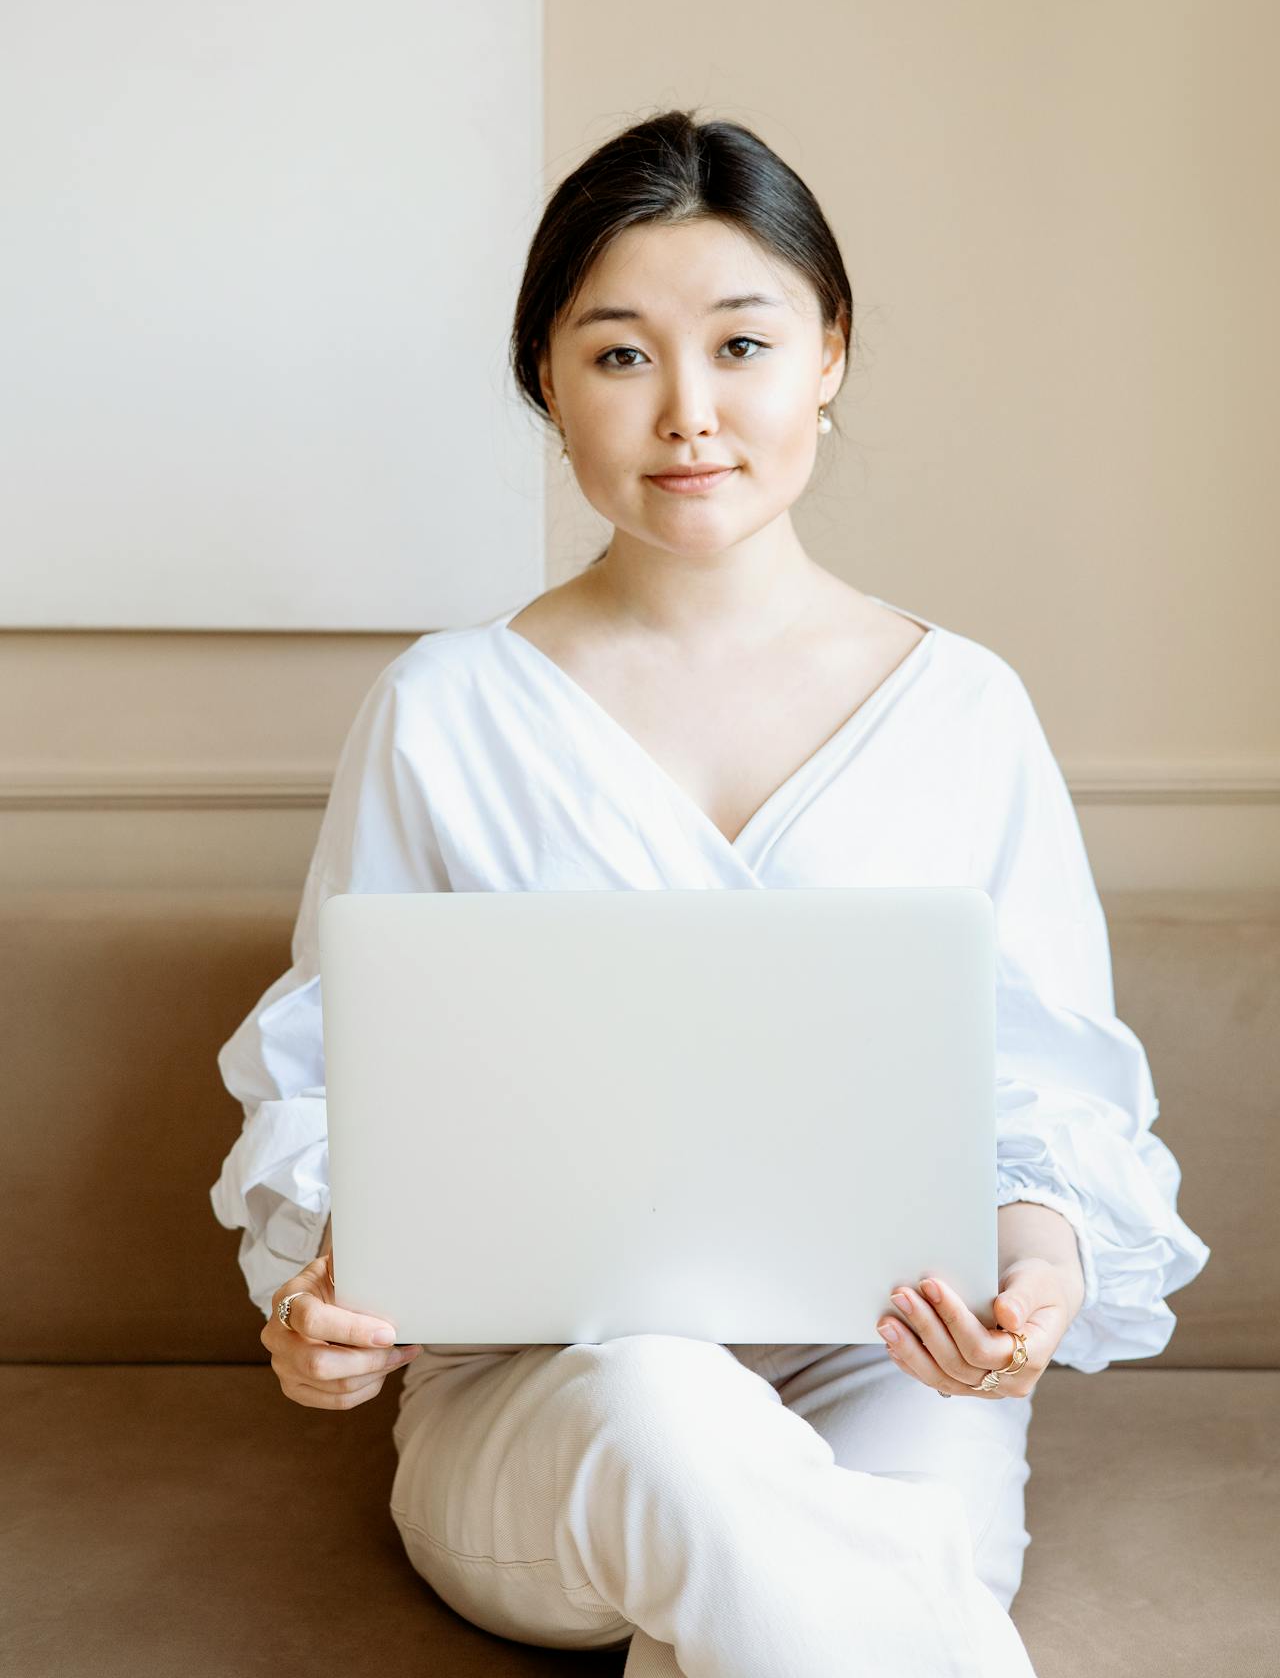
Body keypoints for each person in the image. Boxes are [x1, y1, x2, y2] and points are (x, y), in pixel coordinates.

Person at [210, 108, 1211, 1677]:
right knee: (675, 1409)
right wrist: (321, 1293)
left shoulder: (962, 710)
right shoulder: (448, 709)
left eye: (742, 343)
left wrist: (1038, 1279)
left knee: (768, 1613)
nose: (689, 413)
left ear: (829, 355)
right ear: (546, 379)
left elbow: (1040, 1096)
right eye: (619, 356)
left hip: (889, 1372)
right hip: (559, 1397)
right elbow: (343, 1083)